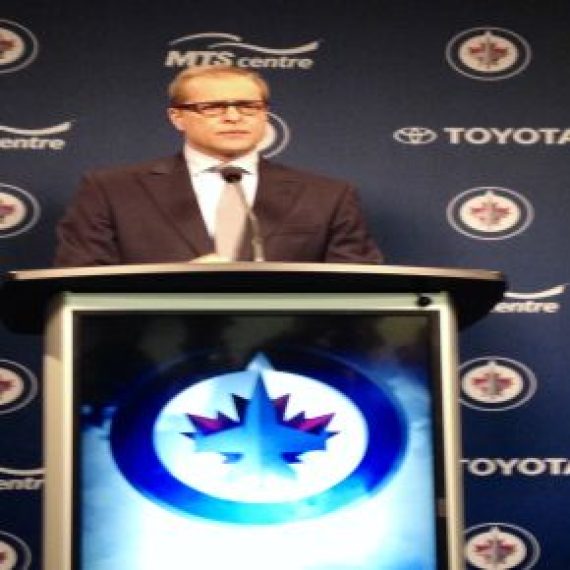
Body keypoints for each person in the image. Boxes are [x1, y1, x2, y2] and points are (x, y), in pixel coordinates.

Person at [54, 66, 382, 267]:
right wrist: (175, 285)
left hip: (287, 347)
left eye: (248, 106)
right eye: (212, 107)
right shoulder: (112, 190)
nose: (233, 117)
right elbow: (80, 277)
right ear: (177, 117)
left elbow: (359, 285)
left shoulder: (327, 196)